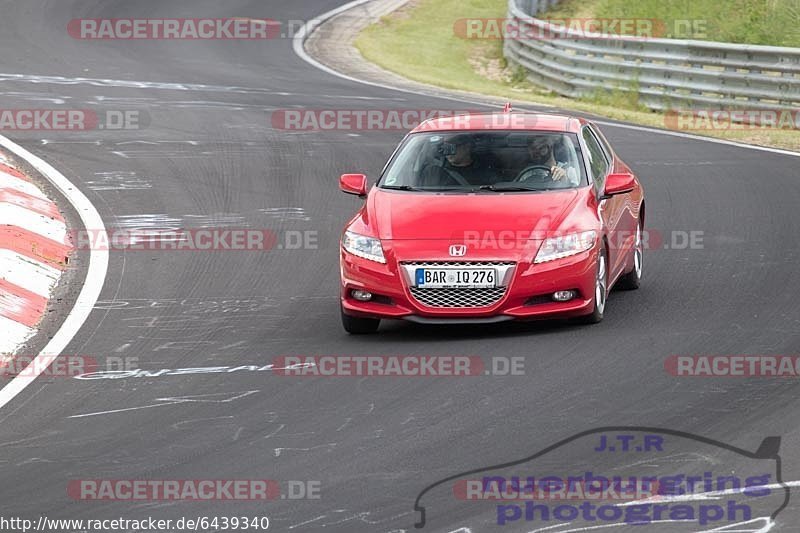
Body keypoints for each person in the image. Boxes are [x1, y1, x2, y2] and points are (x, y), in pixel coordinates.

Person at [421, 134, 496, 187]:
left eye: (451, 148)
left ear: (467, 147)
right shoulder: (434, 171)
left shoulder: (484, 171)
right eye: (444, 148)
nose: (447, 152)